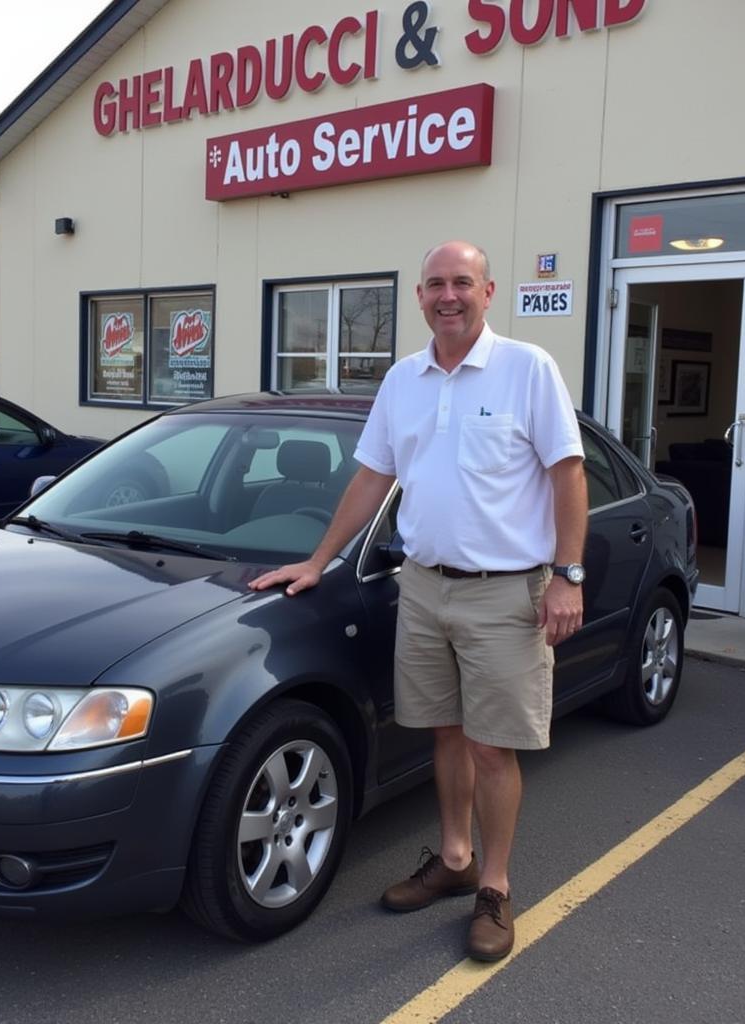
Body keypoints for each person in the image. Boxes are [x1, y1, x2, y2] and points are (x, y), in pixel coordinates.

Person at [249, 240, 587, 962]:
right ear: (420, 297)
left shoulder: (528, 369)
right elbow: (372, 478)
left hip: (506, 594)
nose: (448, 295)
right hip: (424, 588)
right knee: (444, 733)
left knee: (494, 749)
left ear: (488, 291)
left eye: (461, 282)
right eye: (435, 284)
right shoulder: (404, 380)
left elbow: (567, 475)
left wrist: (568, 574)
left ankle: (494, 887)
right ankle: (456, 859)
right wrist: (317, 561)